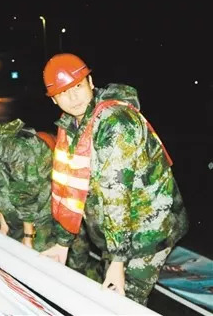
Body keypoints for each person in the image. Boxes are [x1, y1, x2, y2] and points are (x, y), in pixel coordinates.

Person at [40, 53, 189, 304]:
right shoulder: (73, 125)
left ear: (90, 82)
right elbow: (70, 187)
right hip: (117, 232)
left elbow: (115, 194)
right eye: (64, 92)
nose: (73, 97)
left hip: (149, 231)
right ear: (54, 99)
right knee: (106, 295)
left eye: (77, 86)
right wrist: (63, 243)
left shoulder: (116, 122)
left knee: (123, 302)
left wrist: (118, 261)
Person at [0, 106, 99, 280]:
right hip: (26, 220)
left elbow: (27, 196)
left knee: (60, 276)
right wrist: (4, 226)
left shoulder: (16, 147)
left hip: (48, 218)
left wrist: (28, 237)